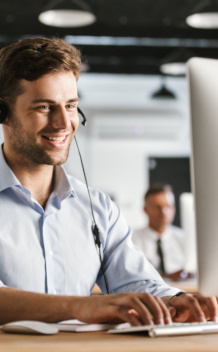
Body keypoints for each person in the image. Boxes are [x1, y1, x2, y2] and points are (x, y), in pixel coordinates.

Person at [0, 37, 217, 327]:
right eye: (44, 107)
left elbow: (136, 280)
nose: (64, 123)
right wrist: (82, 307)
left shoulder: (97, 207)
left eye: (71, 105)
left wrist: (171, 301)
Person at [132, 184, 188, 280]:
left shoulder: (185, 238)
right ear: (145, 209)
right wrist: (167, 277)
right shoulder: (132, 240)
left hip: (184, 290)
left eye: (168, 206)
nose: (164, 212)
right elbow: (132, 273)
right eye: (157, 207)